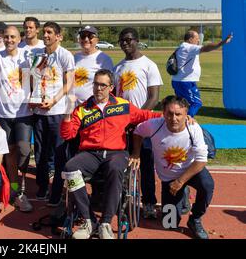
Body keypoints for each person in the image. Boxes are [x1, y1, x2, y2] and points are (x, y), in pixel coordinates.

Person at [61, 69, 162, 239]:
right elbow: (67, 135)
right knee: (70, 168)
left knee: (116, 169)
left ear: (111, 87)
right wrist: (67, 112)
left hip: (116, 153)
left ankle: (106, 222)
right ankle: (89, 220)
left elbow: (146, 115)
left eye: (102, 85)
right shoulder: (82, 109)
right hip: (90, 154)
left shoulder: (123, 105)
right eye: (95, 84)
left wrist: (176, 117)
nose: (98, 88)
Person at [132, 95, 214, 239]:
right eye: (169, 113)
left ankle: (195, 219)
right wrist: (136, 153)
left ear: (186, 114)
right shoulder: (153, 125)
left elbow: (201, 161)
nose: (174, 118)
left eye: (178, 114)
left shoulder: (194, 128)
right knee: (169, 224)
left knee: (207, 185)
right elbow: (138, 132)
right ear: (163, 113)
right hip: (169, 178)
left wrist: (180, 181)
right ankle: (181, 194)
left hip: (191, 170)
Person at [113, 27, 163, 219]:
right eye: (122, 41)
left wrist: (138, 119)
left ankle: (149, 202)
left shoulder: (149, 65)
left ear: (137, 40)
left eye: (128, 40)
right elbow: (116, 98)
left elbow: (154, 97)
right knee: (123, 164)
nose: (125, 44)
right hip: (123, 125)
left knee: (146, 165)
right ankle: (125, 200)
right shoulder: (118, 68)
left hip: (144, 125)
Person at [0, 26, 34, 212]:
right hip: (4, 115)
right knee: (10, 154)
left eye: (13, 37)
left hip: (24, 113)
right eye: (6, 37)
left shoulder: (27, 56)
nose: (9, 40)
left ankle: (20, 184)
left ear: (20, 38)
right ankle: (15, 191)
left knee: (24, 149)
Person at [32, 21, 75, 207]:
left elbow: (69, 83)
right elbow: (33, 80)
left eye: (50, 32)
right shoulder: (38, 55)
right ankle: (42, 186)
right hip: (39, 111)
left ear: (59, 36)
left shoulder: (65, 56)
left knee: (59, 154)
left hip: (57, 111)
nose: (46, 35)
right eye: (44, 32)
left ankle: (57, 191)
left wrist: (54, 100)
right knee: (40, 152)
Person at [171, 30, 232, 117]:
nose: (198, 41)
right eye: (197, 39)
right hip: (186, 82)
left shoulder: (181, 47)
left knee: (182, 104)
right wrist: (221, 43)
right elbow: (205, 48)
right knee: (196, 103)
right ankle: (186, 122)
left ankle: (178, 123)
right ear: (190, 39)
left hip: (177, 80)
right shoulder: (189, 47)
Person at [74, 26, 113, 105]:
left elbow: (108, 87)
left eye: (90, 36)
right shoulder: (74, 57)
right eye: (83, 36)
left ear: (97, 40)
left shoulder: (104, 59)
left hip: (93, 108)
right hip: (74, 108)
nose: (86, 39)